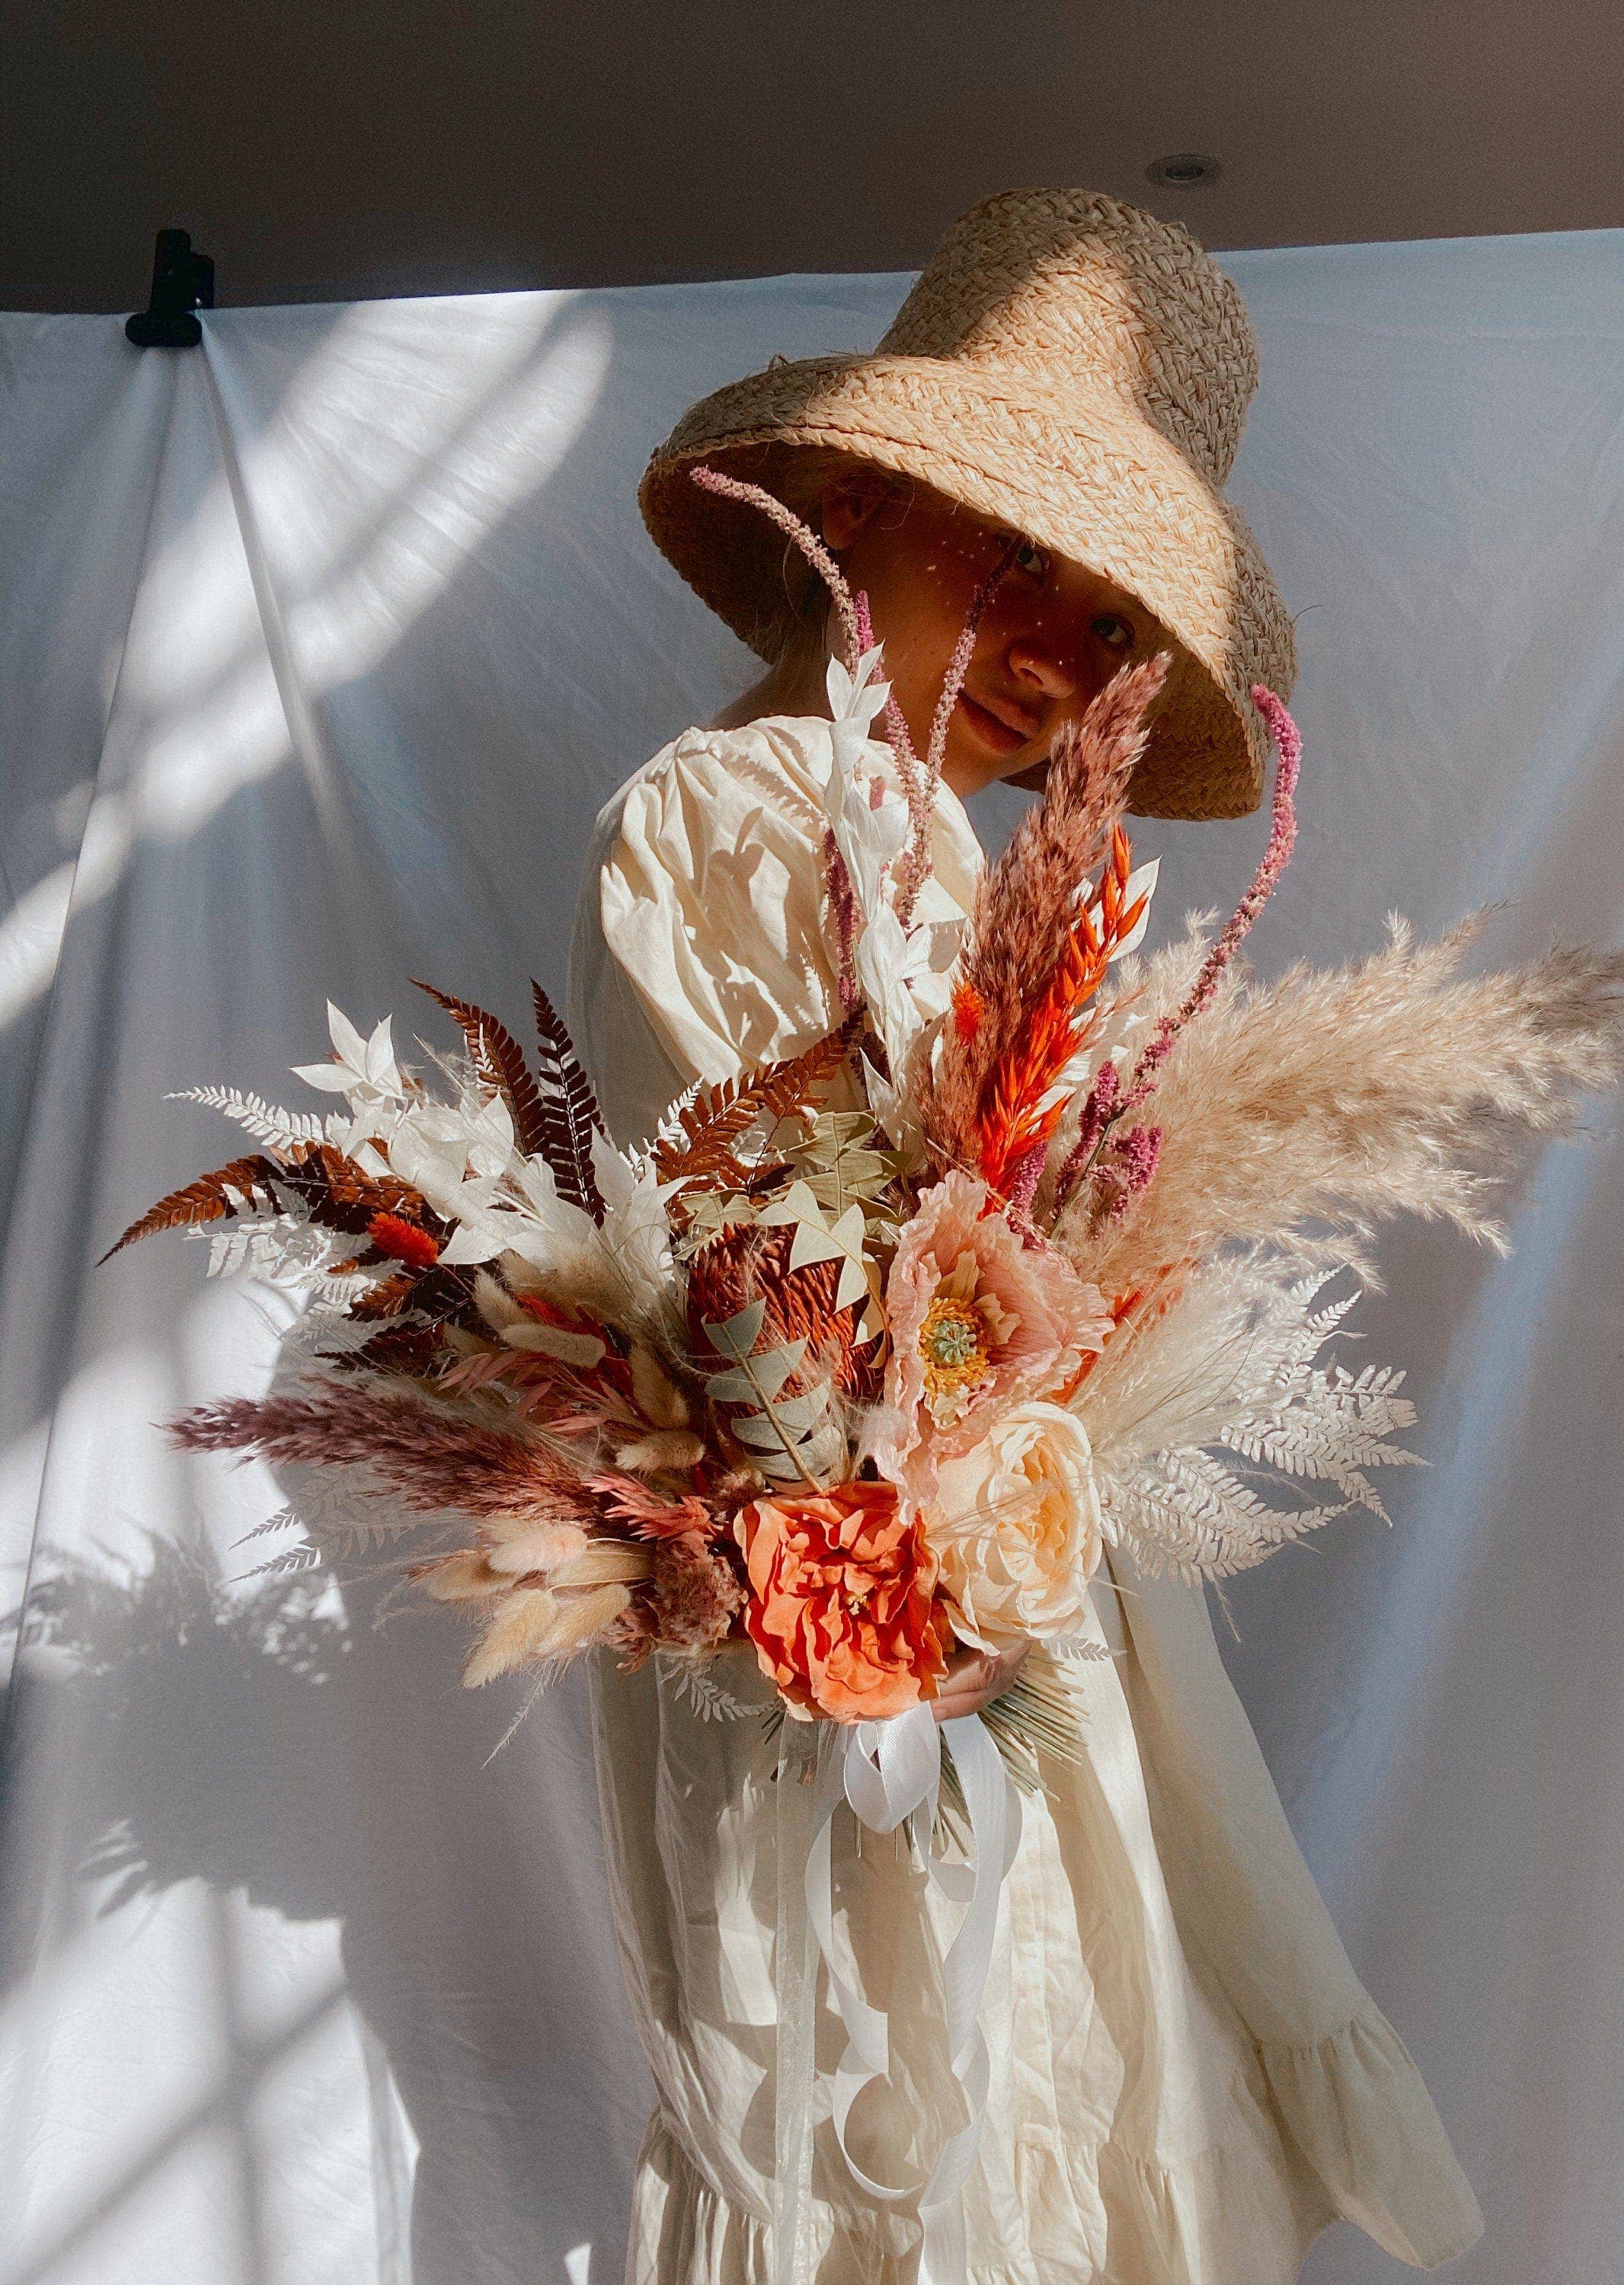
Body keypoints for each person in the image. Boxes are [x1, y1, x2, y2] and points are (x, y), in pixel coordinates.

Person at [565, 187, 1482, 2284]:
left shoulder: (917, 846)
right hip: (852, 1625)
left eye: (1102, 626)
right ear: (853, 498)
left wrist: (1042, 1336)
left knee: (1032, 2090)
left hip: (955, 1587)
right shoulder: (744, 811)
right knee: (923, 2097)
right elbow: (745, 1266)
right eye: (1008, 560)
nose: (1048, 654)